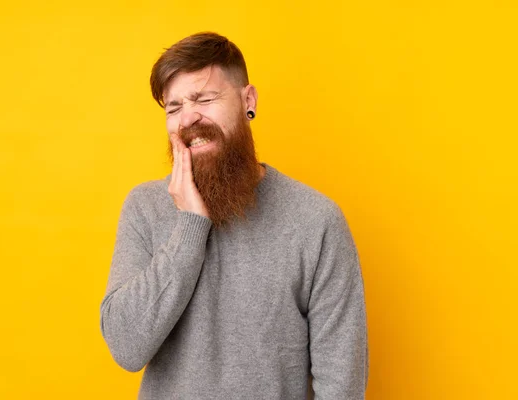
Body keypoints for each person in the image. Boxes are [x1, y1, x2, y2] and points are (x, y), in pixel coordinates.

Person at [100, 31, 369, 399]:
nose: (188, 118)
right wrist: (191, 225)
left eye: (204, 98)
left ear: (248, 101)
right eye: (174, 108)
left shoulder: (316, 221)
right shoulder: (144, 208)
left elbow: (341, 383)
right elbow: (126, 347)